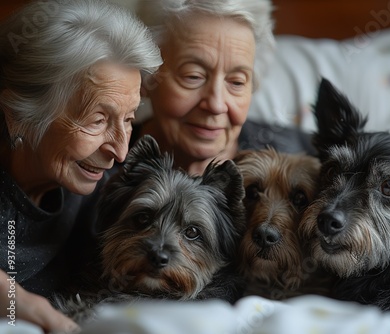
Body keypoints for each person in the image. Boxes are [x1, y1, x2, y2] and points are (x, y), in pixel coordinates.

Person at [0, 0, 162, 332]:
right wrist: (21, 304)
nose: (119, 150)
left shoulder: (104, 193)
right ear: (18, 115)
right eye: (97, 120)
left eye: (129, 120)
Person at [135, 0, 276, 175]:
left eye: (237, 82)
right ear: (146, 75)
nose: (216, 105)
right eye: (193, 76)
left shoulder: (306, 166)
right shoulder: (99, 171)